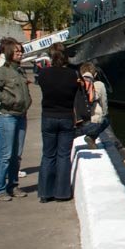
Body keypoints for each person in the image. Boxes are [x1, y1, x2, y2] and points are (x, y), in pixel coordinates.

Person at [0, 39, 31, 201]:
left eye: (21, 51)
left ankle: (13, 185)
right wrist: (10, 99)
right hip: (8, 116)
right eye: (18, 51)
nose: (21, 54)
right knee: (5, 154)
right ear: (10, 53)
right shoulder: (2, 71)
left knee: (16, 155)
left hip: (21, 115)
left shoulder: (20, 70)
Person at [36, 42, 79, 203]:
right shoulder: (72, 75)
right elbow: (76, 92)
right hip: (66, 116)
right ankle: (62, 193)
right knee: (63, 156)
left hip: (48, 115)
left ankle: (45, 193)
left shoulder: (43, 74)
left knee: (48, 155)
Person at [78, 62, 109, 149]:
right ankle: (92, 137)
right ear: (95, 74)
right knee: (106, 120)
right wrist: (104, 114)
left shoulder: (77, 83)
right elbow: (104, 104)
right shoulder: (99, 85)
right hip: (91, 124)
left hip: (77, 123)